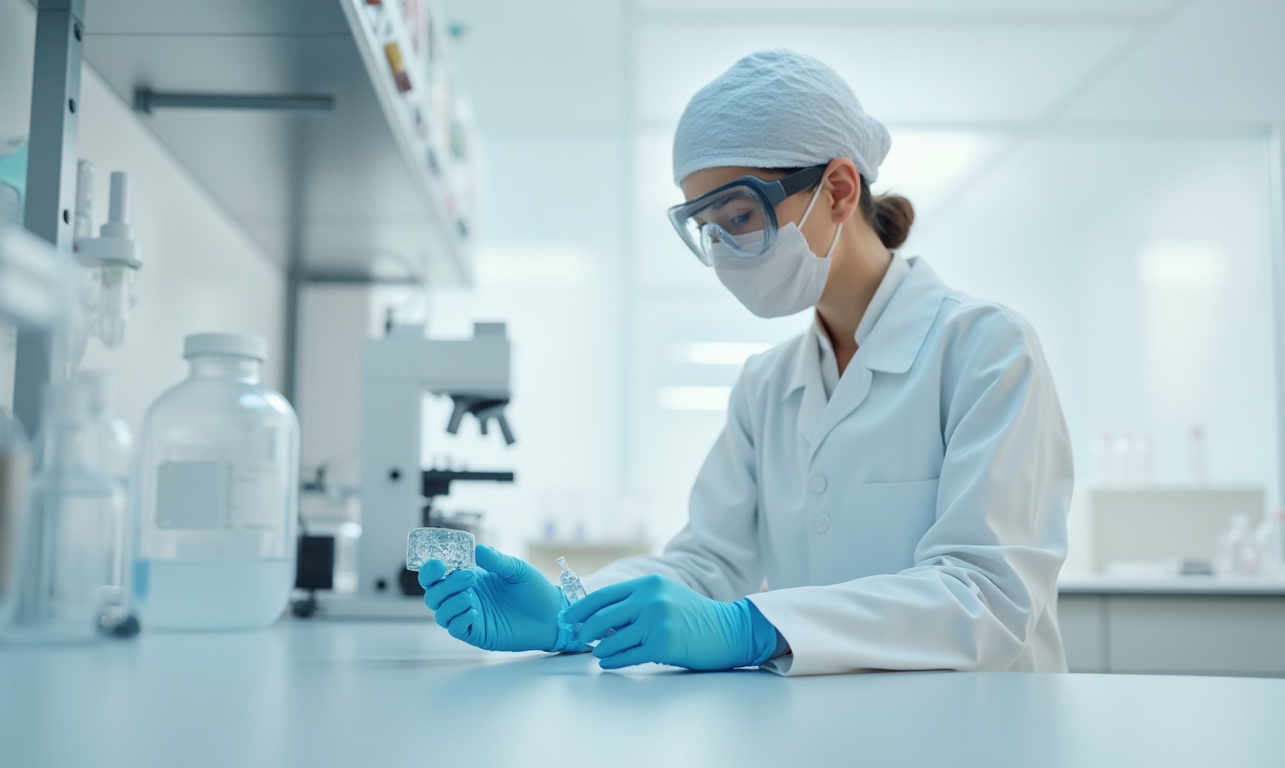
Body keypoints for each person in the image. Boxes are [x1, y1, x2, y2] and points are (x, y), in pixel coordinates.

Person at [417, 49, 1072, 676]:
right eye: (708, 228)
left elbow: (987, 598)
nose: (727, 249)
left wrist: (753, 627)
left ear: (839, 190)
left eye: (739, 214)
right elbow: (707, 562)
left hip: (981, 733)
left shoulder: (986, 349)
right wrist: (571, 611)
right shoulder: (769, 383)